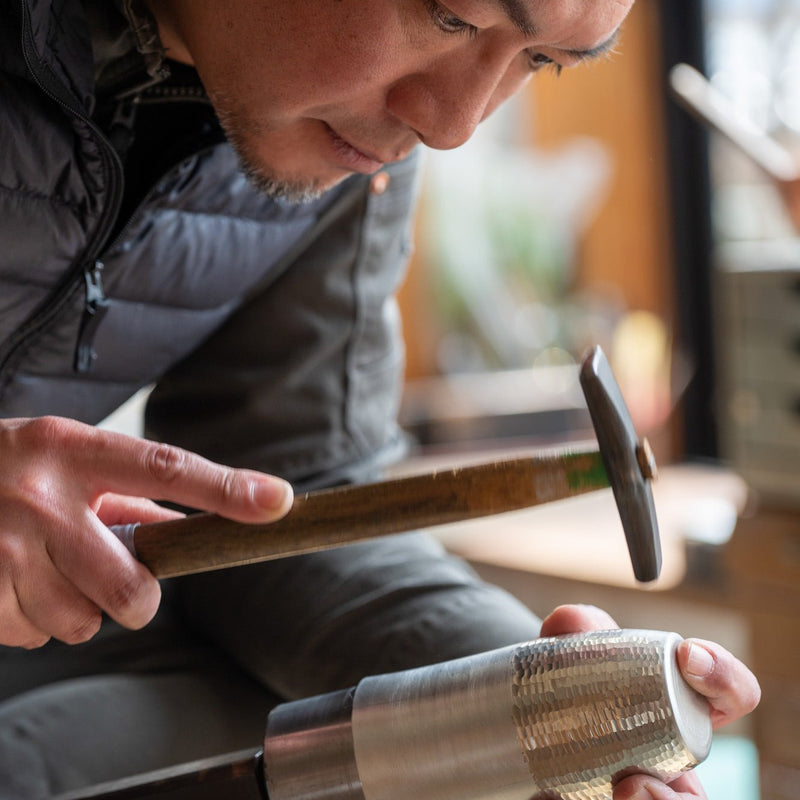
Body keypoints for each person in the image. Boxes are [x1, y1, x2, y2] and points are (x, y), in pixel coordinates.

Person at [0, 1, 760, 798]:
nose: (451, 125)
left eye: (543, 61)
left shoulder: (346, 145)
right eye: (450, 17)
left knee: (297, 730)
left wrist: (530, 707)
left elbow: (302, 490)